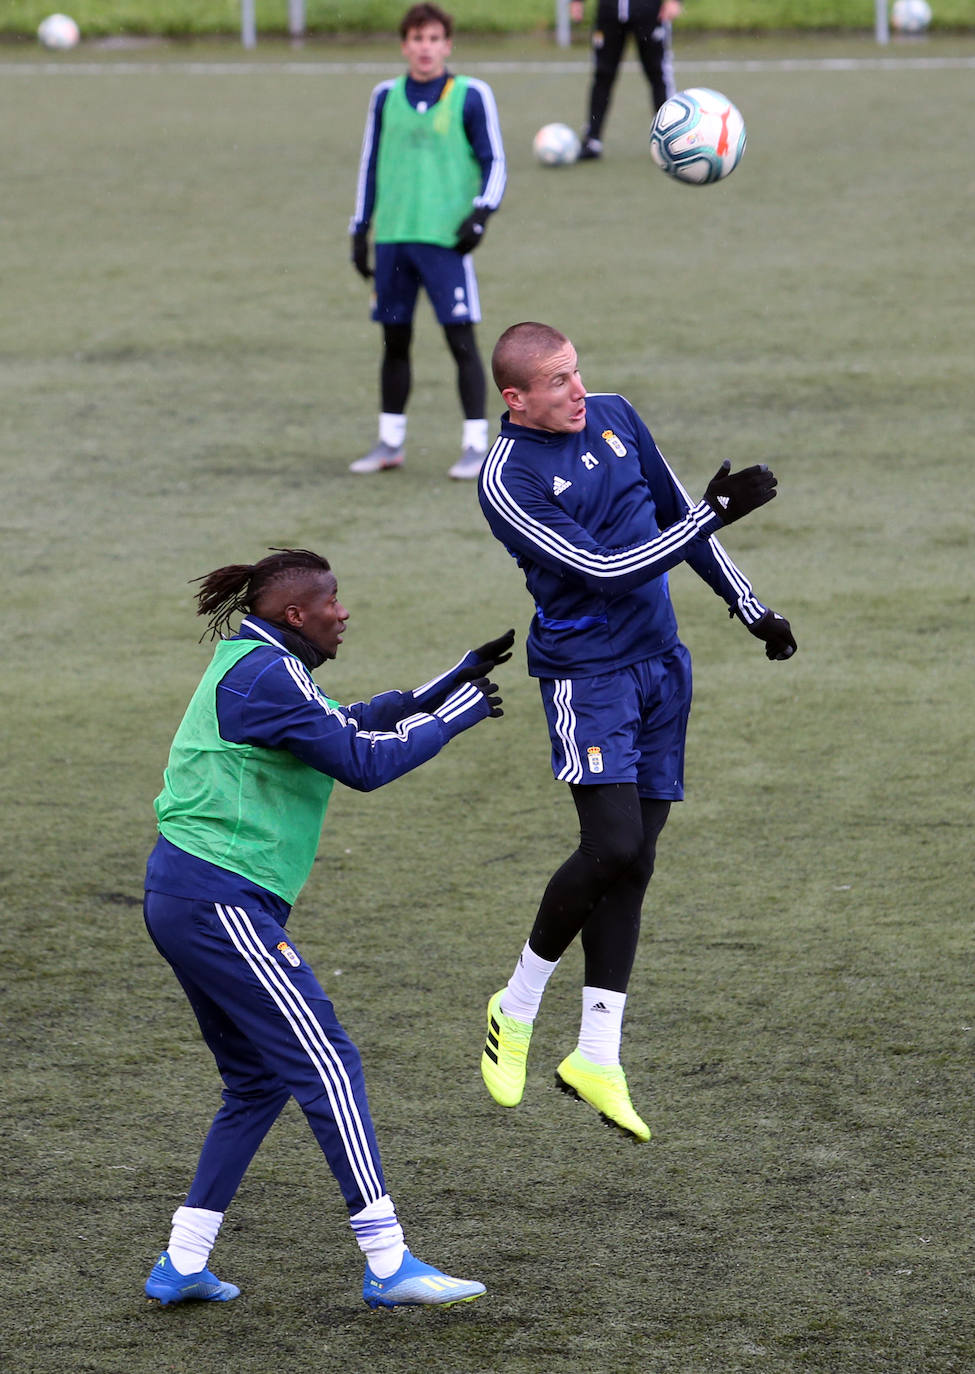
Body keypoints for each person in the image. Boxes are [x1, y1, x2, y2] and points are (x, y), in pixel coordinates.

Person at [142, 547, 514, 1308]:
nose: (344, 612)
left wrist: (446, 680)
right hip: (218, 898)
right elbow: (359, 761)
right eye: (332, 601)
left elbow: (339, 722)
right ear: (294, 614)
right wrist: (451, 718)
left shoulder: (265, 666)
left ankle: (182, 1262)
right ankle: (387, 1262)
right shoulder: (263, 674)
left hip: (193, 894)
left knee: (255, 1082)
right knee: (328, 1062)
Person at [476, 323, 796, 1141]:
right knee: (611, 844)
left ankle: (596, 1056)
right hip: (589, 677)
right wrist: (712, 517)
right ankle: (514, 1007)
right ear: (516, 399)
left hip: (661, 666)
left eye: (576, 372)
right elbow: (605, 572)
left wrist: (750, 608)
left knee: (637, 861)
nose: (577, 390)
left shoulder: (616, 414)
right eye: (556, 382)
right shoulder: (507, 478)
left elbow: (678, 518)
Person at [349, 3, 506, 480]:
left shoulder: (471, 94)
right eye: (417, 39)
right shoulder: (384, 96)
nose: (425, 48)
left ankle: (477, 446)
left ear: (447, 45)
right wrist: (360, 228)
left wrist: (480, 214)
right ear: (404, 45)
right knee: (395, 340)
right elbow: (370, 164)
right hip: (395, 237)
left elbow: (494, 161)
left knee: (461, 341)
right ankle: (389, 442)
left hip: (444, 242)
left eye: (434, 39)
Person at [570, 0, 683, 160]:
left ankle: (671, 140)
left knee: (657, 73)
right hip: (609, 13)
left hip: (648, 11)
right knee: (603, 74)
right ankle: (592, 140)